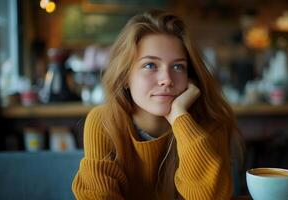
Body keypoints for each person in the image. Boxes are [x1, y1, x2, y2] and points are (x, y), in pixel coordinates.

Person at [72, 9, 244, 200]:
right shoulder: (103, 122)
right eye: (150, 65)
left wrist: (180, 117)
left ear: (190, 77)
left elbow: (210, 197)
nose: (166, 80)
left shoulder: (208, 123)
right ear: (125, 77)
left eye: (178, 66)